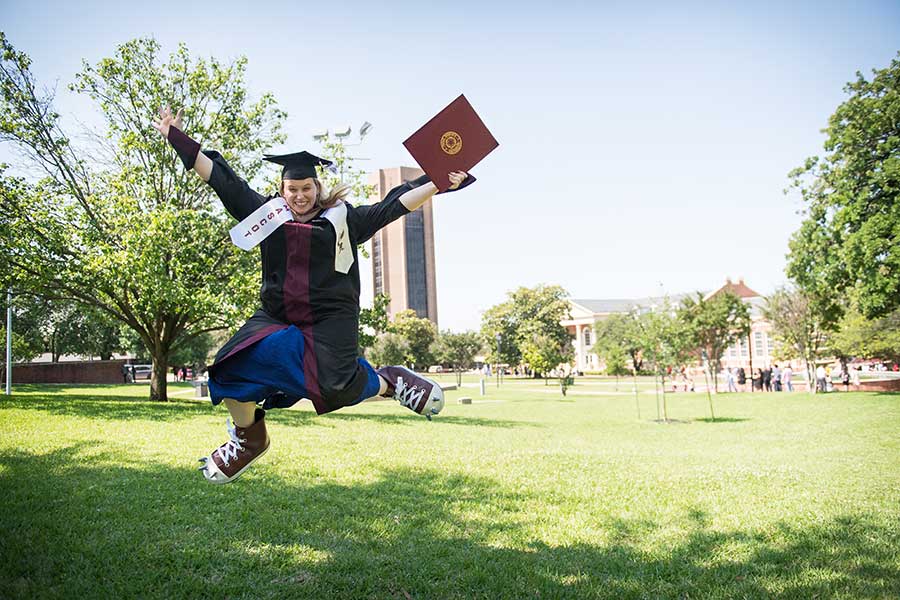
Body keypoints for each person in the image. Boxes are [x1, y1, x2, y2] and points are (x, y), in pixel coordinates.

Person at [153, 107, 473, 484]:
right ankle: (249, 439)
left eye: (307, 189)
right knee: (228, 366)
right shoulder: (265, 215)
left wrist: (438, 182)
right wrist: (177, 137)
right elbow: (222, 179)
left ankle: (390, 382)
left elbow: (393, 205)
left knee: (336, 386)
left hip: (330, 319)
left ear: (317, 188)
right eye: (293, 190)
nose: (300, 196)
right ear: (282, 190)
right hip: (277, 314)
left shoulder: (343, 220)